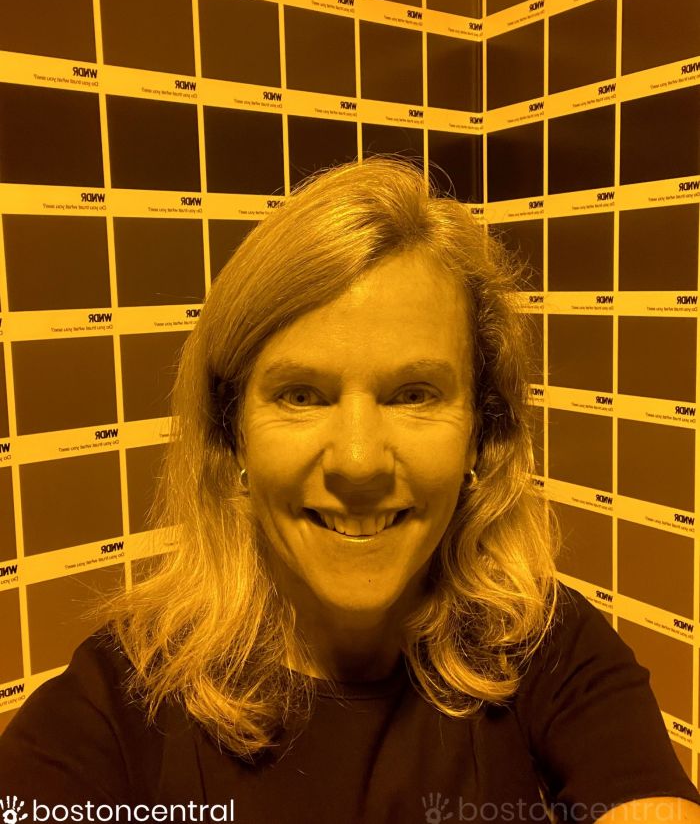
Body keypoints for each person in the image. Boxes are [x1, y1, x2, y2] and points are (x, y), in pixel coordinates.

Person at [1, 158, 699, 824]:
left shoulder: (544, 644)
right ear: (232, 435)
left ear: (480, 436)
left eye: (414, 393)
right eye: (301, 395)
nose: (359, 462)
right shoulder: (120, 702)